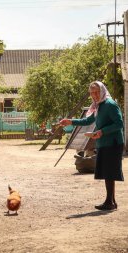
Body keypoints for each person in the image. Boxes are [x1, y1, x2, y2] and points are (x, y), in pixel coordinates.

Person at [60, 81, 124, 211]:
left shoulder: (110, 104)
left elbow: (119, 124)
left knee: (109, 172)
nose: (94, 95)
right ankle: (112, 201)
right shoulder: (98, 105)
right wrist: (71, 121)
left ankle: (109, 202)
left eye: (96, 92)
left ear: (102, 90)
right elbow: (88, 120)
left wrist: (101, 132)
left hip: (113, 143)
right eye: (91, 93)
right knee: (108, 172)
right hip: (104, 143)